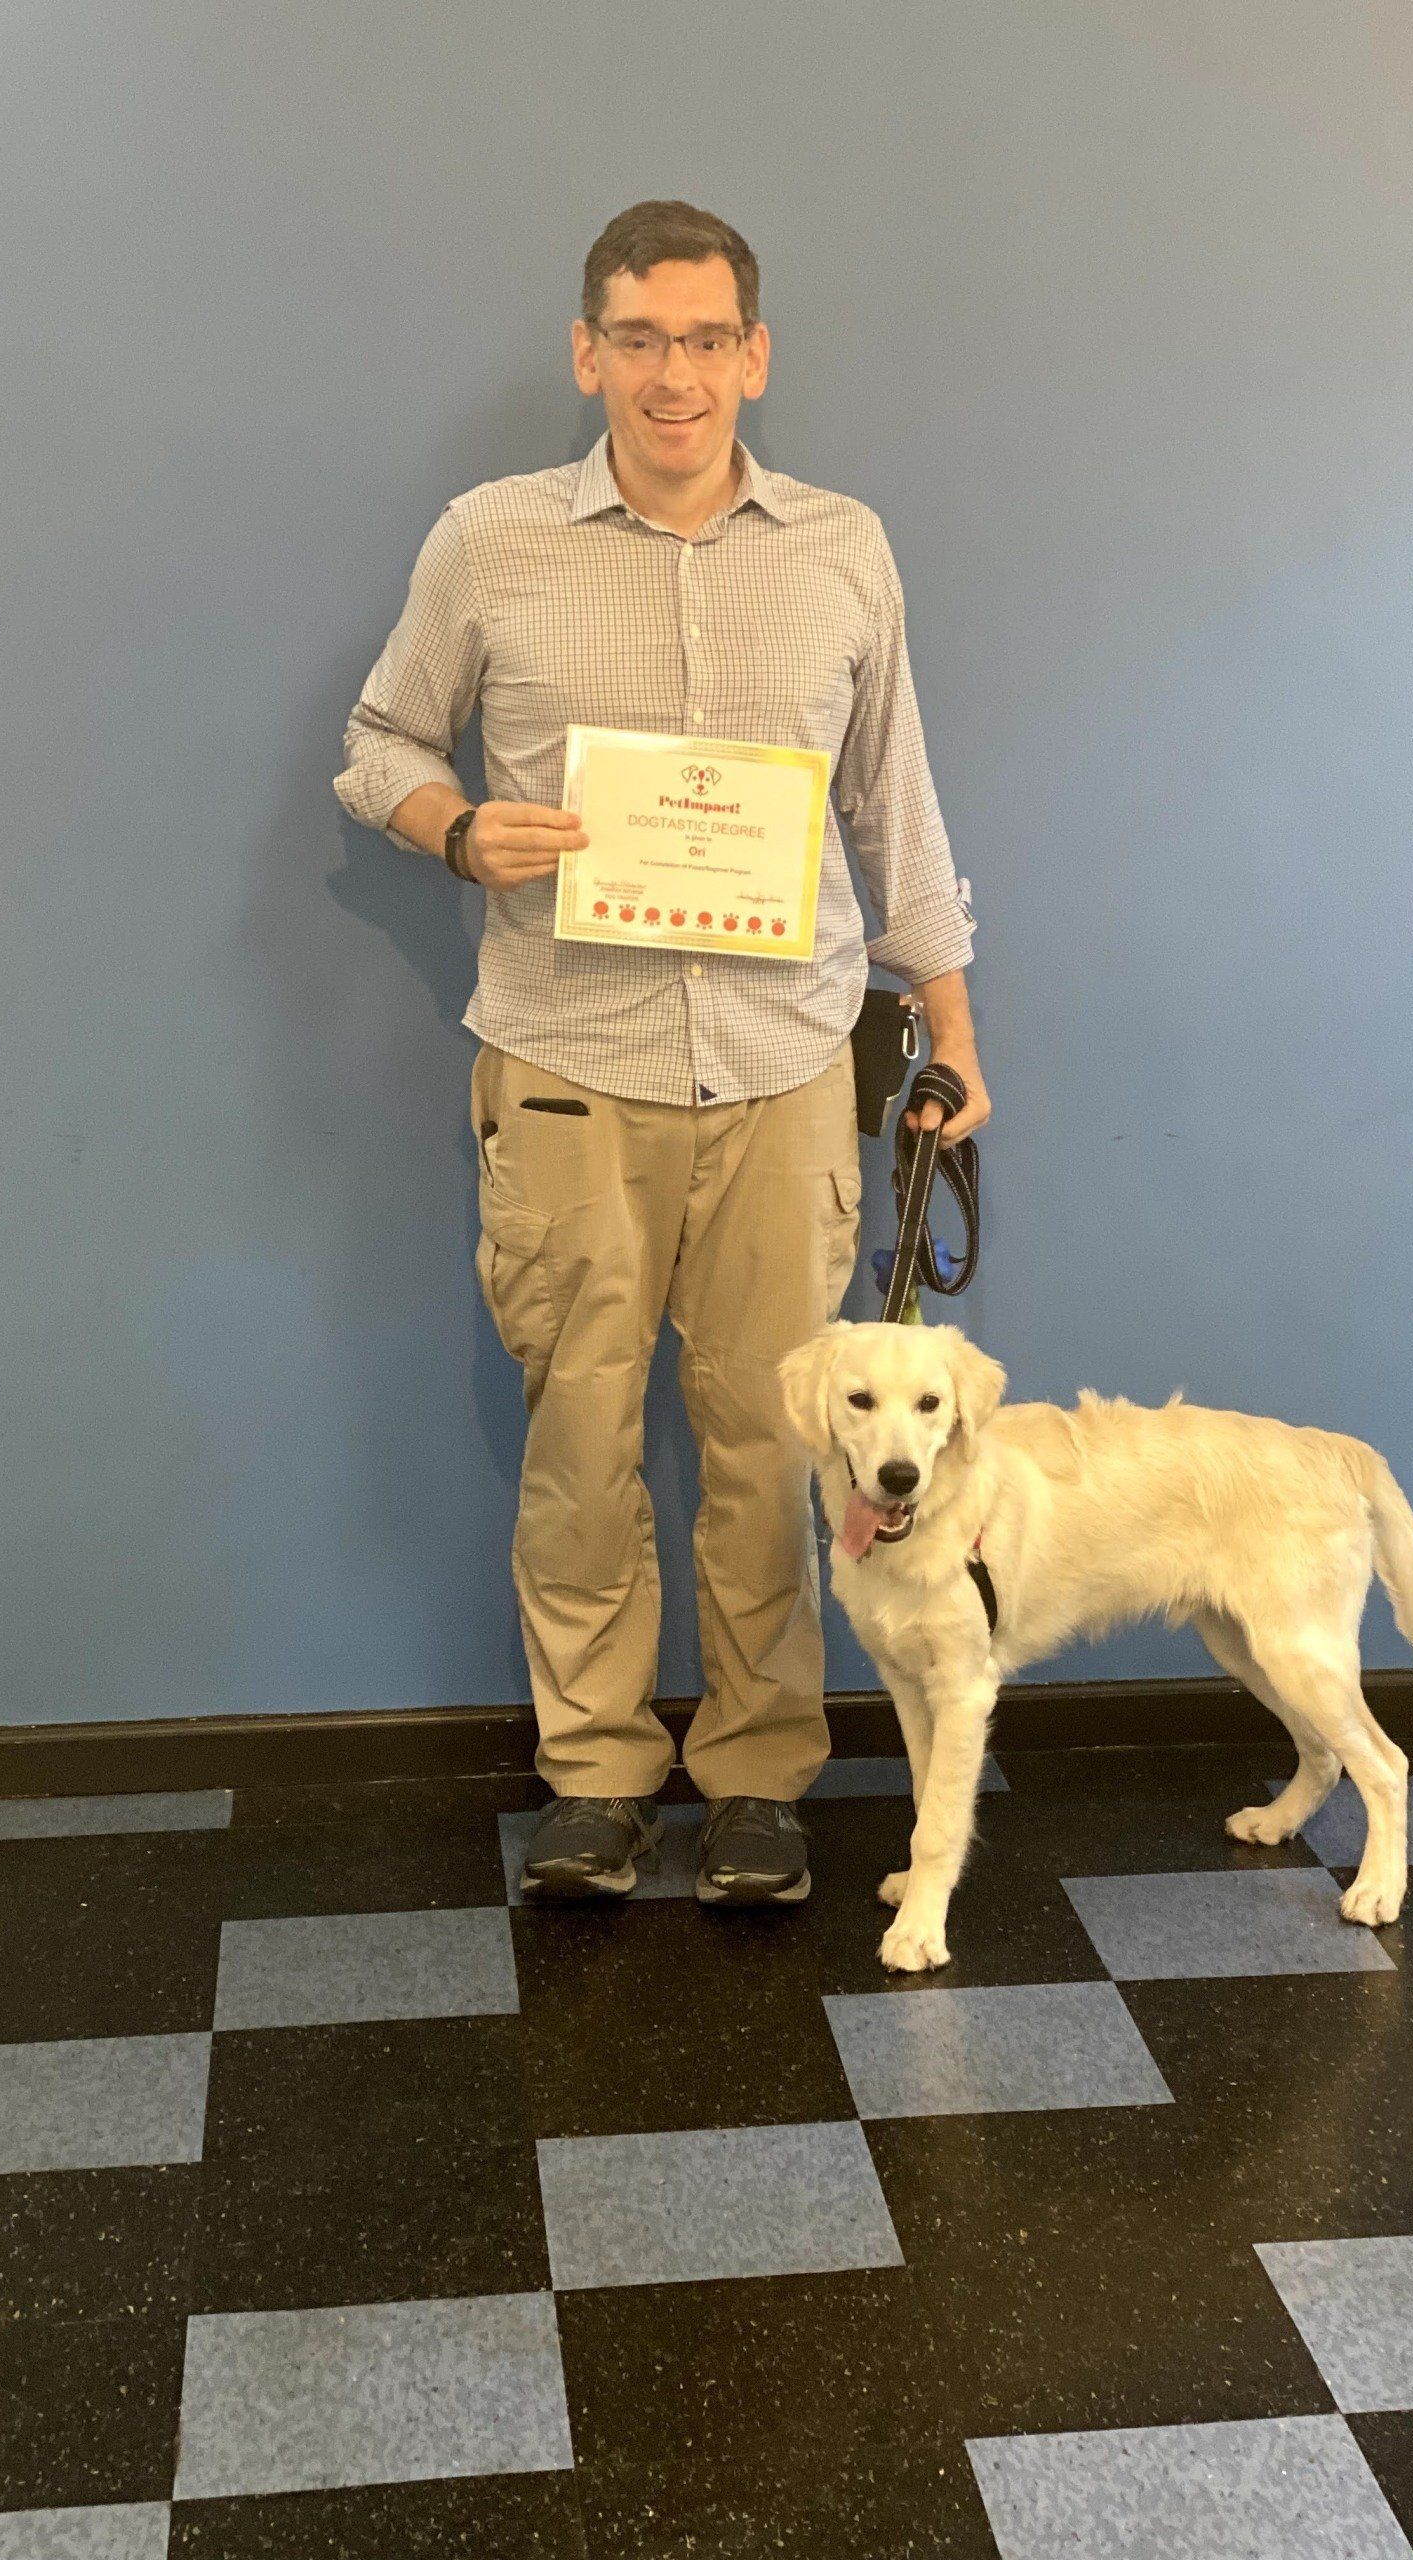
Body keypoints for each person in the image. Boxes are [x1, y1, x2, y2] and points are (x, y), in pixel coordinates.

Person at [333, 199, 988, 1908]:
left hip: (785, 1073)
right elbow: (376, 739)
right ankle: (599, 1778)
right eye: (639, 338)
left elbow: (890, 808)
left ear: (753, 355)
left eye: (706, 340)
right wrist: (458, 824)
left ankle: (761, 1779)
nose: (673, 374)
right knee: (582, 1440)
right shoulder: (490, 541)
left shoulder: (844, 546)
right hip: (567, 1065)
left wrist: (954, 1032)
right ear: (588, 352)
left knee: (785, 1448)